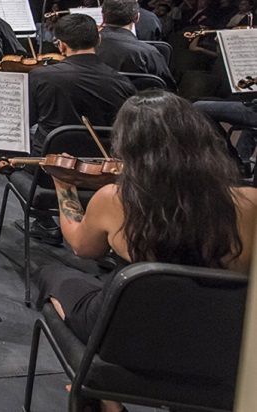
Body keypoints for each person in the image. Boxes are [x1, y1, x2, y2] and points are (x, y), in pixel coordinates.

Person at [36, 91, 255, 410]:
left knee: (51, 275)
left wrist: (64, 186)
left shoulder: (115, 198)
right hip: (218, 345)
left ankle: (102, 394)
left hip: (129, 337)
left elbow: (82, 247)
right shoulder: (250, 202)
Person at [25, 14, 136, 244]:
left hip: (48, 171)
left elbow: (27, 120)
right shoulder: (123, 83)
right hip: (103, 172)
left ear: (62, 44)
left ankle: (45, 222)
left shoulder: (40, 76)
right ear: (98, 41)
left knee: (12, 161)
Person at [95, 0, 175, 89]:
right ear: (137, 18)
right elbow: (168, 88)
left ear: (103, 18)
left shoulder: (82, 47)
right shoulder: (149, 53)